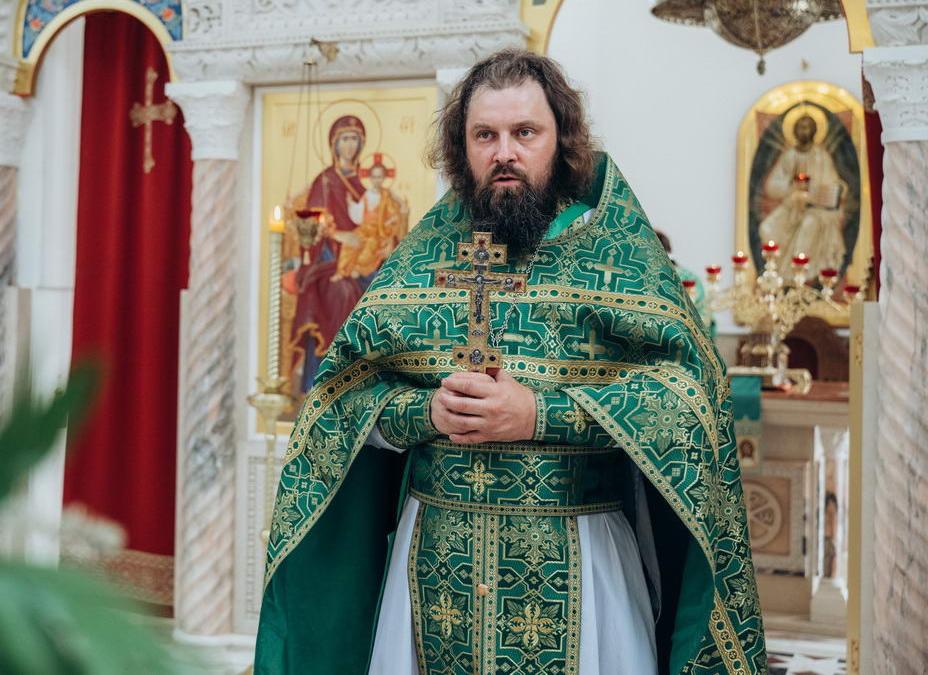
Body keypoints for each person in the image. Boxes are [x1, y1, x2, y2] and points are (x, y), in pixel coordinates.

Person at [255, 50, 764, 675]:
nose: (505, 153)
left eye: (525, 132)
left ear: (562, 140)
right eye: (485, 135)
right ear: (462, 146)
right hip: (433, 566)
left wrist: (540, 414)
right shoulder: (421, 259)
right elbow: (340, 402)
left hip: (581, 559)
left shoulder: (615, 251)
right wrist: (426, 412)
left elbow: (687, 401)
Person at [288, 115, 371, 396]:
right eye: (344, 139)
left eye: (354, 139)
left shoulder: (364, 183)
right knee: (343, 291)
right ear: (334, 144)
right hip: (327, 263)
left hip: (362, 260)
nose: (349, 145)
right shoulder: (325, 181)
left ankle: (366, 380)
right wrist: (340, 237)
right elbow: (311, 228)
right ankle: (326, 380)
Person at [757, 110, 846, 281]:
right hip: (792, 206)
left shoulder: (821, 157)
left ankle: (798, 279)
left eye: (807, 127)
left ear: (814, 131)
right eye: (800, 127)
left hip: (816, 210)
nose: (803, 131)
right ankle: (779, 277)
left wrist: (819, 191)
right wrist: (792, 187)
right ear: (794, 131)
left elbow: (832, 184)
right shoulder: (789, 156)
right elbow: (772, 186)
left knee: (808, 226)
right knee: (766, 228)